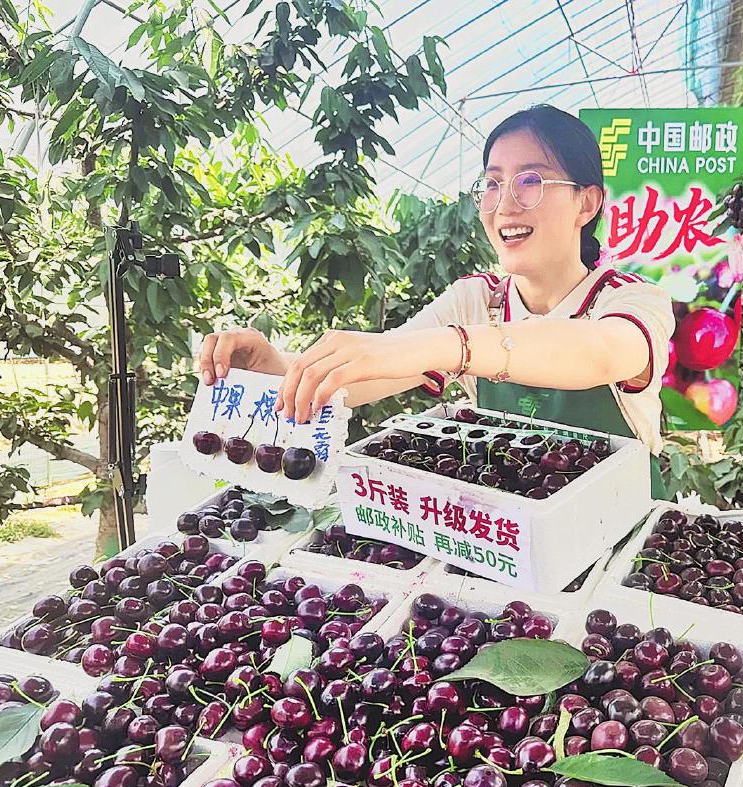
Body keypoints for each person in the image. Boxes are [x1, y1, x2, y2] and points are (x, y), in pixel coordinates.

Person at [198, 104, 674, 498]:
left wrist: (451, 347)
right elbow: (367, 376)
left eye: (531, 181)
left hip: (628, 547)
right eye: (492, 183)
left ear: (586, 203)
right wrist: (276, 368)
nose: (504, 204)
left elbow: (603, 351)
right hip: (521, 534)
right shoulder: (476, 300)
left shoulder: (632, 300)